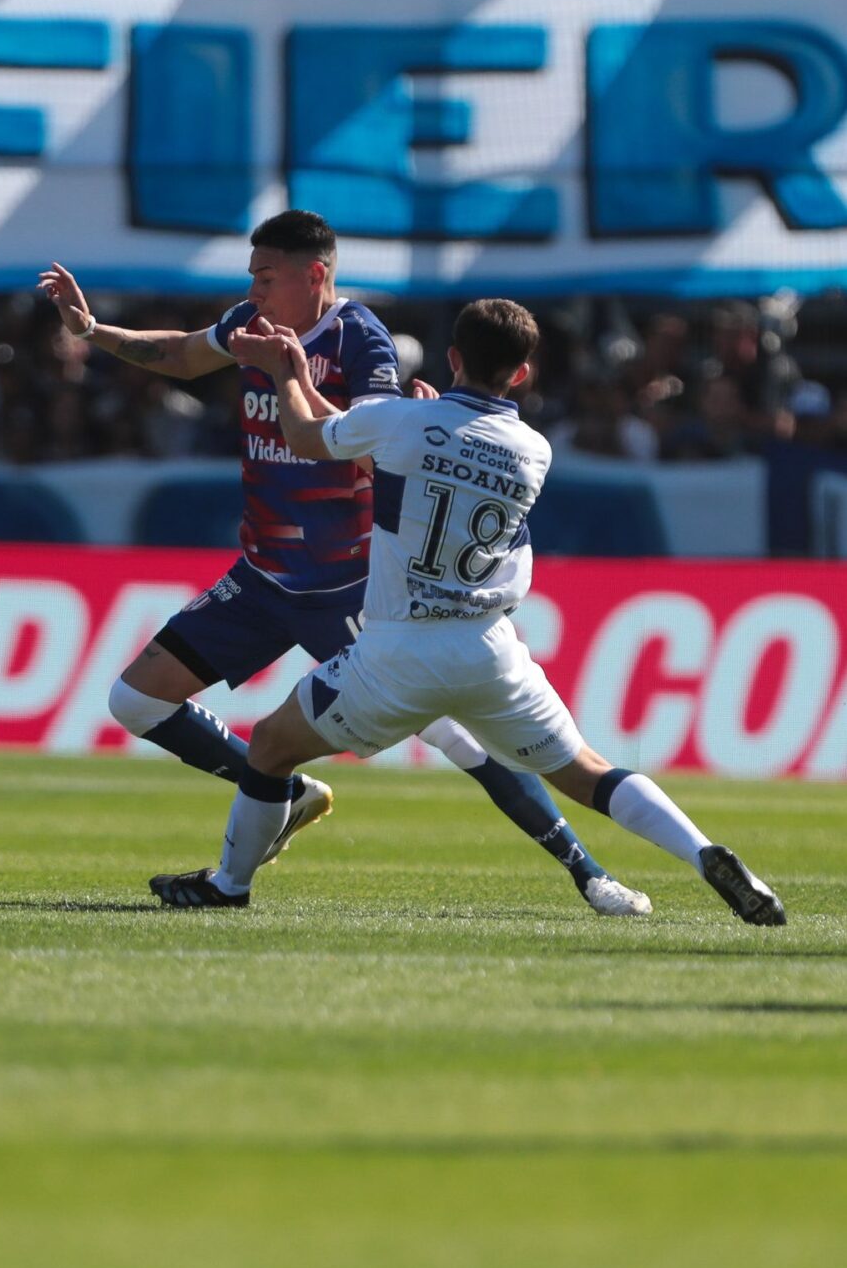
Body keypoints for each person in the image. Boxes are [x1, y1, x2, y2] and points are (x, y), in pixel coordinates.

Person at [39, 211, 649, 916]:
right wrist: (90, 331)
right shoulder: (251, 321)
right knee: (135, 699)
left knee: (461, 739)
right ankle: (285, 793)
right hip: (265, 575)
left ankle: (589, 872)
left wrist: (288, 378)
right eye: (252, 276)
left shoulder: (360, 338)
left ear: (315, 276)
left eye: (266, 277)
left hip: (350, 588)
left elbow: (374, 443)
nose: (254, 289)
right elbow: (181, 355)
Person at [148, 301, 786, 928]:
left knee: (269, 746)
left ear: (452, 358)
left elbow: (308, 436)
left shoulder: (400, 423)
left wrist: (290, 375)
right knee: (589, 773)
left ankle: (230, 885)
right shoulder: (534, 450)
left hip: (400, 648)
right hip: (491, 649)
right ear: (522, 373)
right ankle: (704, 853)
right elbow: (435, 453)